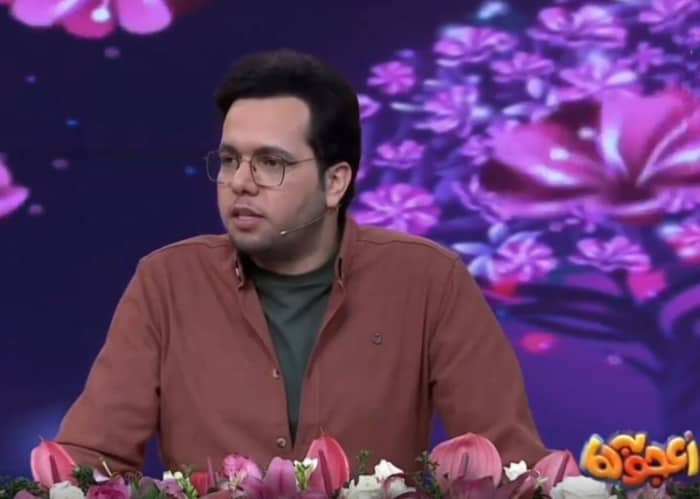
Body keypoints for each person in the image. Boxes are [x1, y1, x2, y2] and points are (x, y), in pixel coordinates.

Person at [53, 49, 549, 476]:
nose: (240, 183)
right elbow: (92, 461)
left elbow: (510, 466)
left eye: (271, 162)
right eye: (229, 160)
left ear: (335, 182)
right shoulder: (167, 283)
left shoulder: (428, 281)